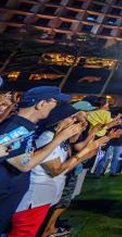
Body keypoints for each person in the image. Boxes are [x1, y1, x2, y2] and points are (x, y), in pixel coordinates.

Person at [11, 104, 107, 237]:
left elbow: (66, 160)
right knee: (24, 233)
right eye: (72, 117)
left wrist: (81, 134)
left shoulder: (60, 137)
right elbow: (56, 170)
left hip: (47, 196)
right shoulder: (47, 137)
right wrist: (85, 152)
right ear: (59, 119)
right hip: (35, 197)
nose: (75, 121)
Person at [0, 87, 80, 233]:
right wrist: (59, 139)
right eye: (55, 102)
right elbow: (25, 164)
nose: (56, 107)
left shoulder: (26, 127)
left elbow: (26, 158)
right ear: (41, 103)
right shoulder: (17, 128)